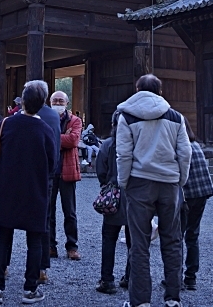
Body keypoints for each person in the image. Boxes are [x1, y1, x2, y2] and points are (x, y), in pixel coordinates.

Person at [116, 74, 191, 307]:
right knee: (172, 240)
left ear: (137, 89)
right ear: (160, 90)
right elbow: (185, 153)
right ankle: (172, 298)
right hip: (169, 182)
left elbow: (124, 154)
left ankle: (140, 301)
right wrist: (180, 180)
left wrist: (123, 181)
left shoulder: (127, 116)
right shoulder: (176, 117)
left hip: (139, 182)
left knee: (139, 244)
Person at [0, 81, 57, 305]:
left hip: (7, 187)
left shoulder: (7, 124)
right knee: (34, 241)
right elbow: (52, 164)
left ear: (22, 102)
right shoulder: (45, 130)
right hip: (34, 190)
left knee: (3, 238)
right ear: (43, 103)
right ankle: (30, 289)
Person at [94, 110, 130, 295]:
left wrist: (107, 186)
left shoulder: (108, 145)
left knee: (109, 238)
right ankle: (131, 277)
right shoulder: (137, 143)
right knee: (136, 240)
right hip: (136, 194)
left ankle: (107, 280)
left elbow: (100, 170)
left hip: (113, 193)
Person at [179, 119, 213, 292]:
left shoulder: (181, 147)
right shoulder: (196, 145)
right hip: (203, 193)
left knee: (177, 236)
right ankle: (191, 278)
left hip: (188, 195)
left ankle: (175, 277)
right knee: (192, 235)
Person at [48, 90, 82, 261]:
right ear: (50, 102)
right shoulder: (46, 118)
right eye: (55, 100)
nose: (58, 103)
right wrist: (63, 138)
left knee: (70, 212)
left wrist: (55, 138)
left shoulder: (75, 120)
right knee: (49, 211)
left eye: (61, 101)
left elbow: (74, 140)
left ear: (67, 103)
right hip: (50, 171)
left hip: (67, 170)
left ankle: (72, 246)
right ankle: (50, 245)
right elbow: (45, 139)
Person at [33, 83, 61, 282]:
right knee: (44, 219)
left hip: (25, 174)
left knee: (8, 221)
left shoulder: (19, 118)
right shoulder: (53, 116)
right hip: (47, 174)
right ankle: (42, 268)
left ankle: (3, 268)